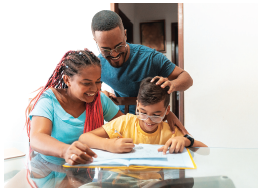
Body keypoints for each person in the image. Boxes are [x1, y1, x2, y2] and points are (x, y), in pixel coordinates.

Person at [25, 48, 124, 166]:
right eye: (86, 83)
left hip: (86, 169)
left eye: (98, 81)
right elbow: (37, 138)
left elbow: (126, 125)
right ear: (67, 80)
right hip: (51, 169)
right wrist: (65, 151)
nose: (95, 89)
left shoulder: (100, 100)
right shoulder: (49, 101)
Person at [91, 10, 193, 115]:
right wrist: (100, 94)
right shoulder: (97, 65)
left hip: (152, 121)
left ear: (125, 35)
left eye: (119, 46)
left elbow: (187, 78)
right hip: (123, 121)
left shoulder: (150, 58)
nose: (114, 54)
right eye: (106, 50)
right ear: (96, 42)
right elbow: (88, 89)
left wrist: (173, 84)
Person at [79, 77, 207, 154]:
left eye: (156, 115)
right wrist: (109, 145)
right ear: (137, 105)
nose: (148, 120)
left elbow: (206, 150)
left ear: (167, 111)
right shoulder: (125, 122)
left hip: (154, 183)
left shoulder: (170, 131)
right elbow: (84, 138)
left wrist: (185, 141)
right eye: (142, 113)